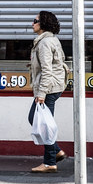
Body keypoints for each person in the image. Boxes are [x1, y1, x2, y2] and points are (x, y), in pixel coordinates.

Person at [28, 10, 67, 173]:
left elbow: (47, 70)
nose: (32, 23)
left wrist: (42, 93)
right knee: (40, 121)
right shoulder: (51, 39)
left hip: (49, 88)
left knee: (42, 123)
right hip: (53, 86)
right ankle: (56, 152)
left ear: (43, 23)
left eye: (35, 20)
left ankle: (50, 162)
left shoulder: (44, 43)